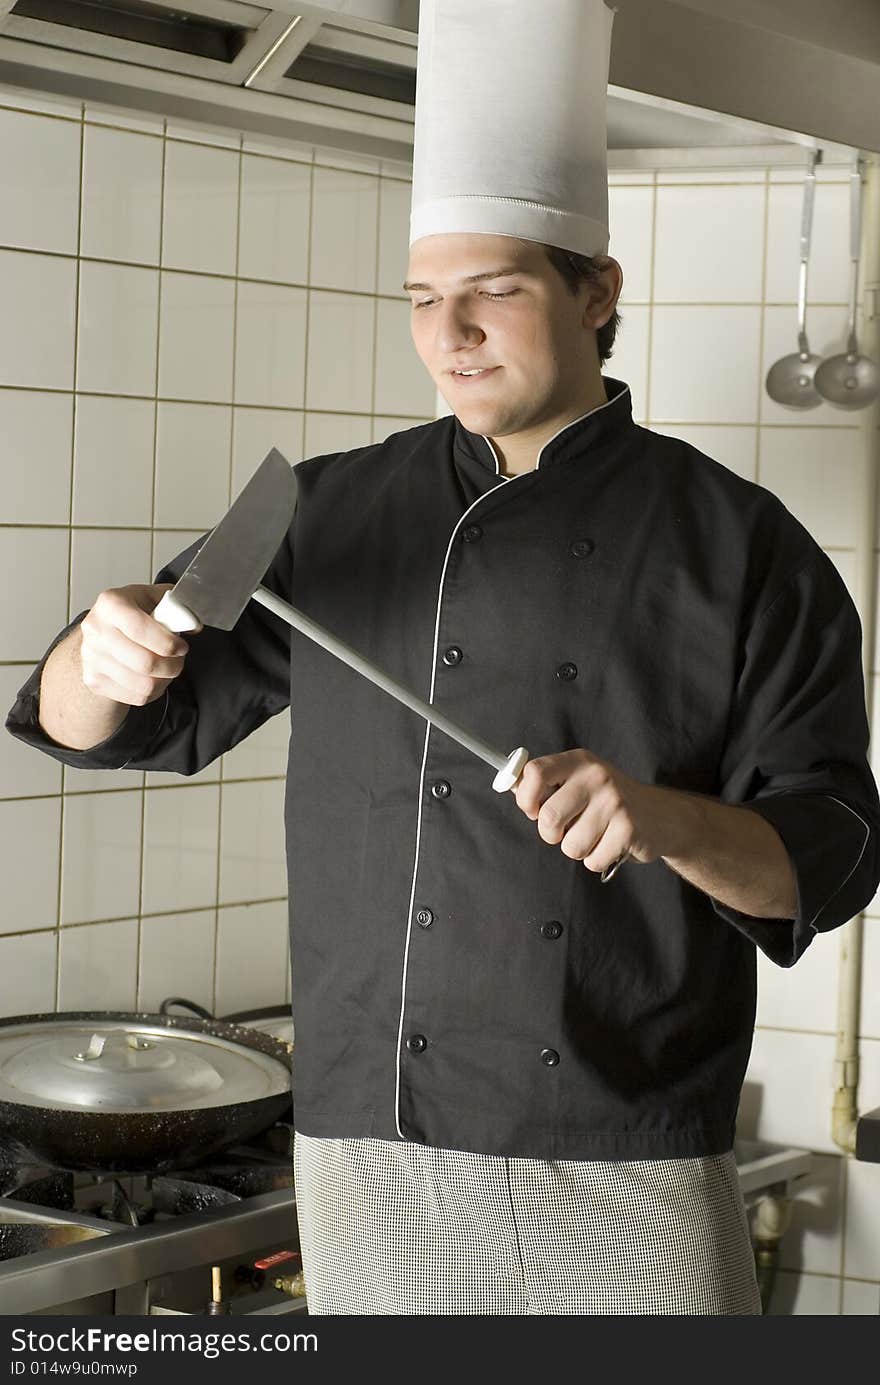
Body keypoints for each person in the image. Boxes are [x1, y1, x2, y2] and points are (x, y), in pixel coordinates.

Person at [7, 1, 880, 1316]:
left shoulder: (742, 548)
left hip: (623, 1159)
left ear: (598, 291)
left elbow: (832, 845)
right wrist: (106, 650)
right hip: (368, 1147)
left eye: (494, 291)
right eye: (423, 298)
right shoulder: (325, 511)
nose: (450, 333)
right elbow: (92, 721)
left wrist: (661, 816)